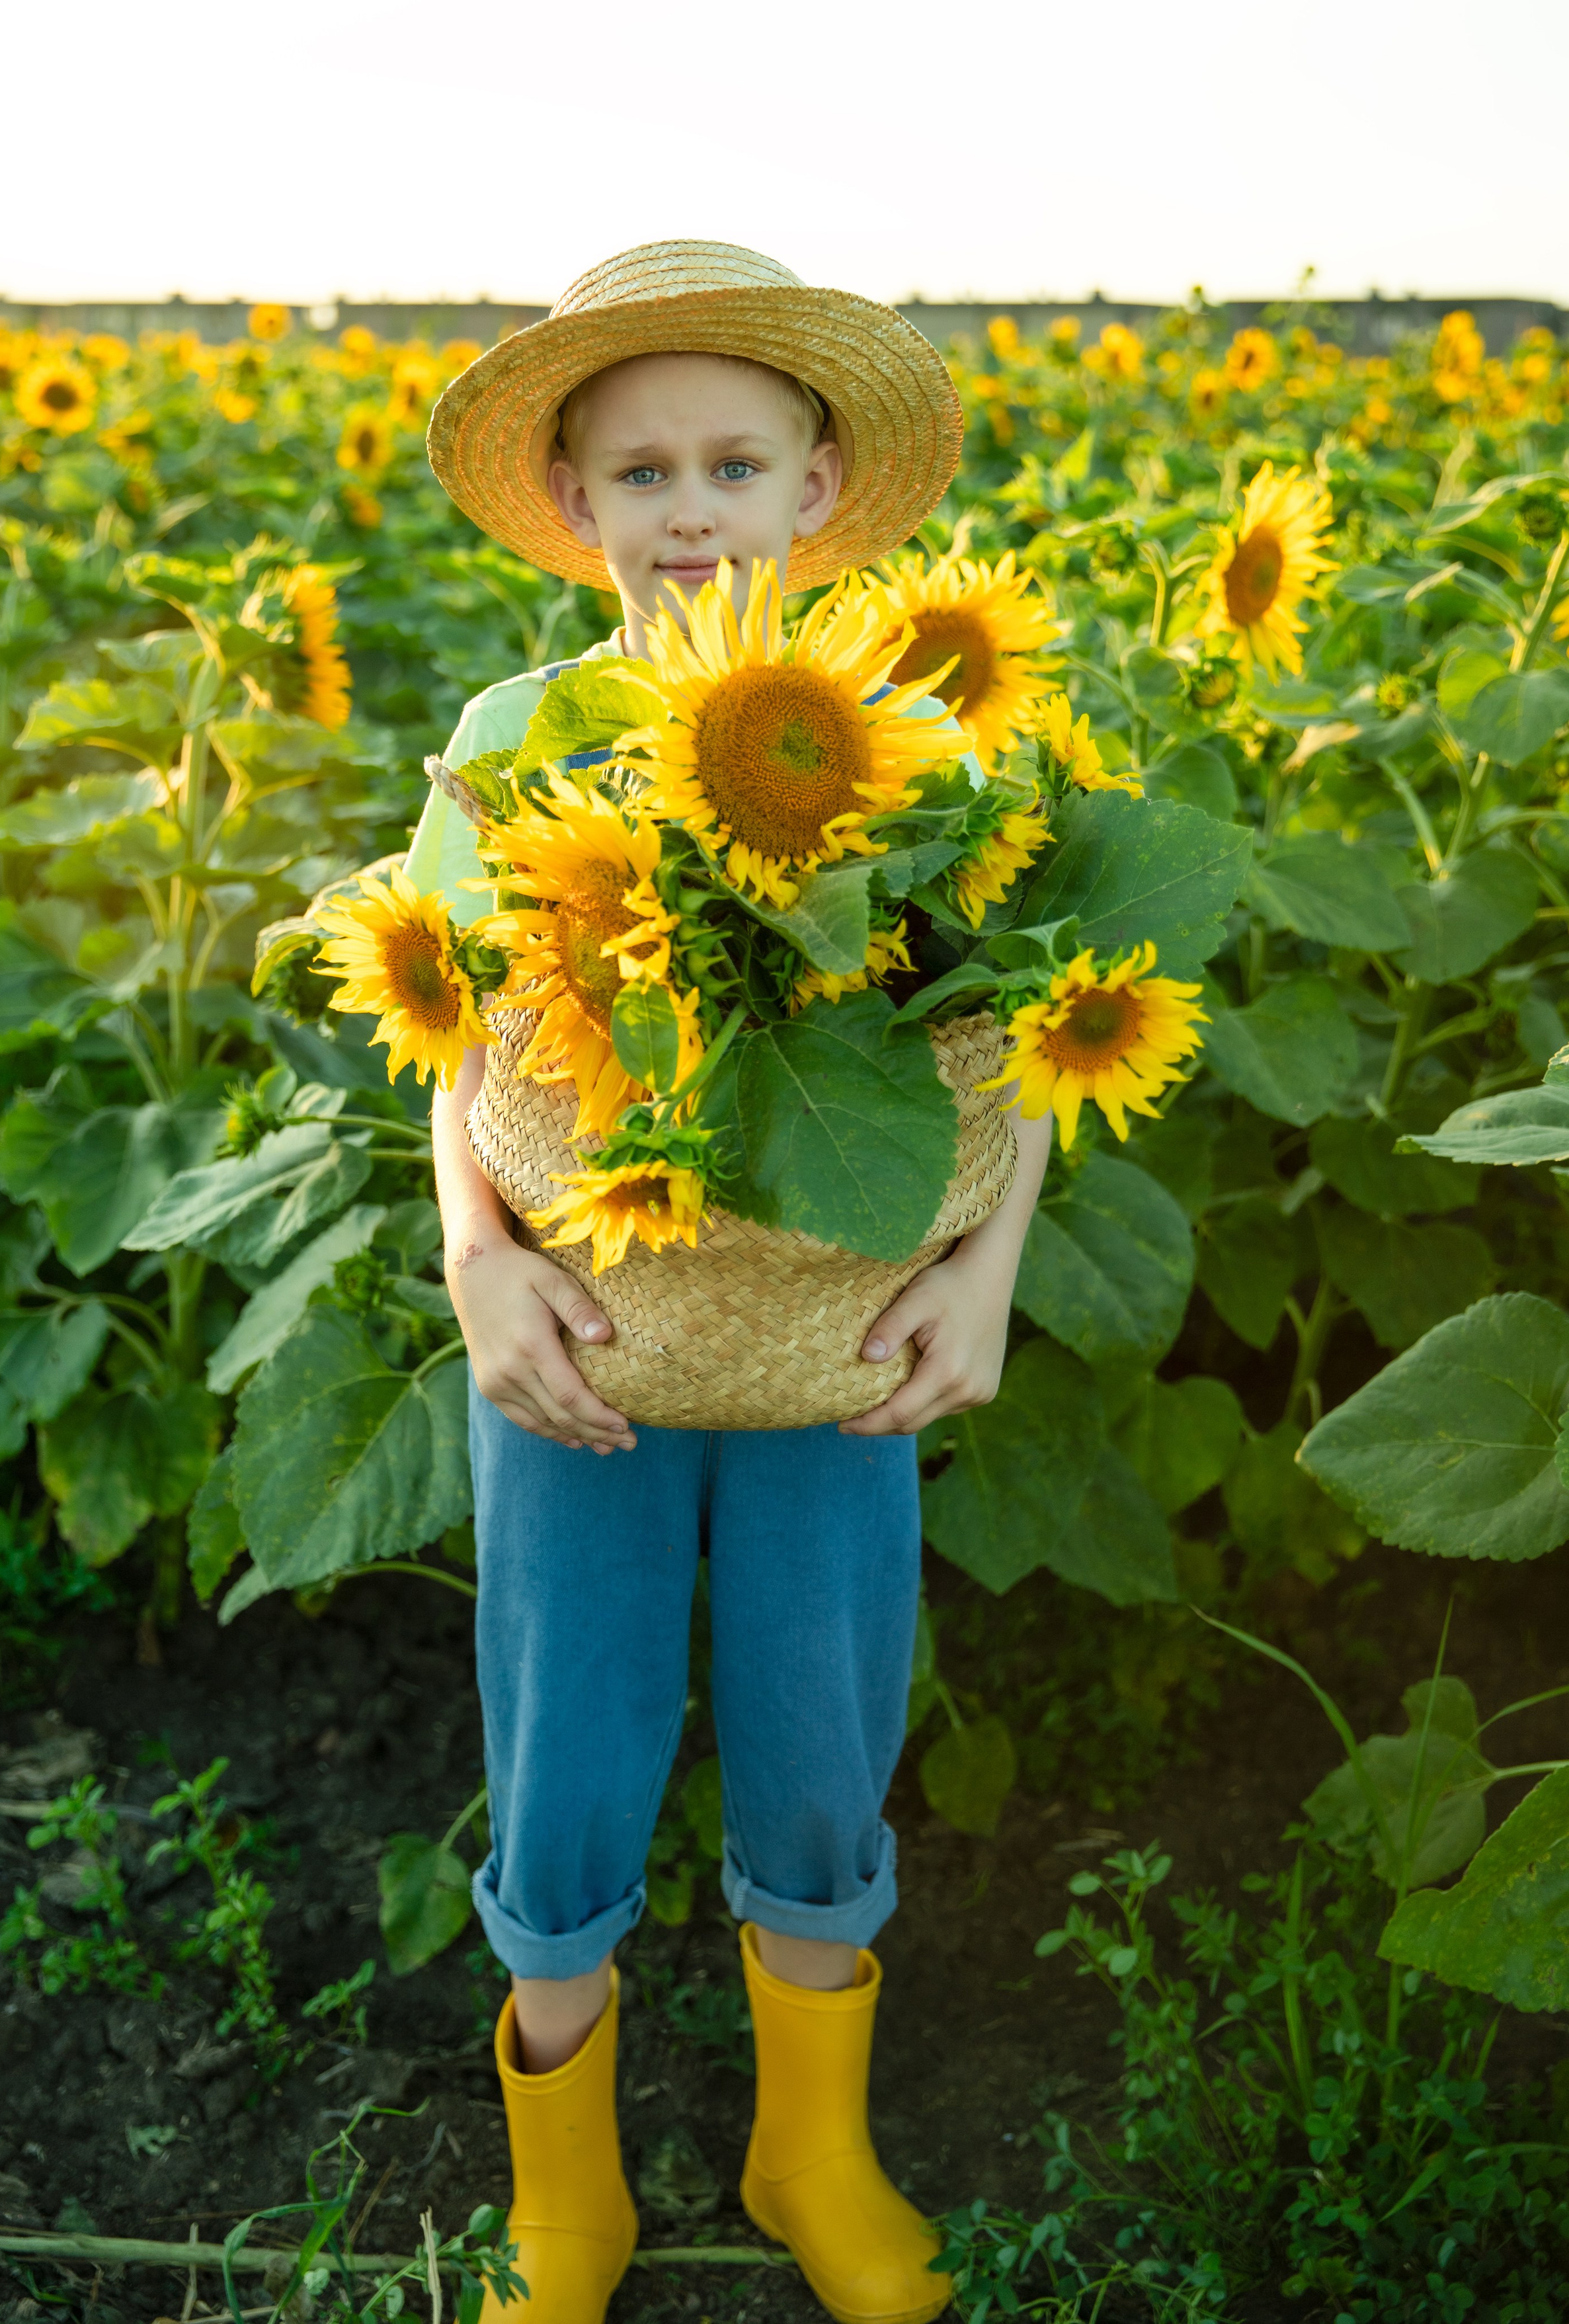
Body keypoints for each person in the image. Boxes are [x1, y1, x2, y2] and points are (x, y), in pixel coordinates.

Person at [406, 242, 1054, 2324]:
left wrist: (988, 1270)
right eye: (644, 471)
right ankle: (565, 2195)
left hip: (831, 1333)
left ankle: (809, 2150)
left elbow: (1007, 1039)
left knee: (819, 1718)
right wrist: (476, 1262)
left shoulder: (909, 744)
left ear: (817, 484)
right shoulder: (519, 738)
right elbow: (460, 1047)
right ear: (575, 498)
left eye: (735, 465)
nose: (691, 513)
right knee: (568, 1734)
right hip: (584, 1338)